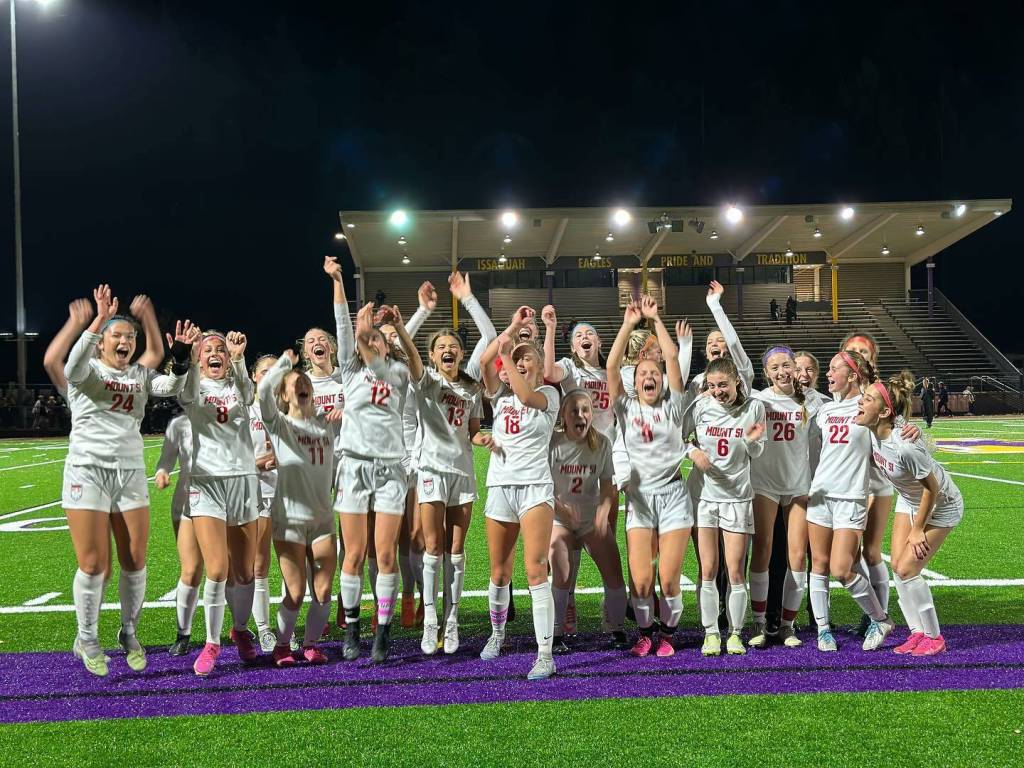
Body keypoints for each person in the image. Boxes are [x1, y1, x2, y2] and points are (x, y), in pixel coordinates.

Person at [62, 284, 194, 676]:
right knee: (93, 564)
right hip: (88, 471)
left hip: (130, 472)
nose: (125, 342)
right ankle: (87, 637)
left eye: (131, 337)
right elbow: (70, 367)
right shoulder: (88, 371)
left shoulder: (138, 374)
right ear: (101, 343)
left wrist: (181, 362)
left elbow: (169, 387)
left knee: (135, 560)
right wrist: (99, 319)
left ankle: (129, 631)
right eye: (117, 336)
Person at [327, 256, 415, 663]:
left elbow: (389, 355)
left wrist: (378, 332)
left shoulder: (397, 374)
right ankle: (351, 629)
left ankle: (382, 632)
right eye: (370, 339)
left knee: (386, 555)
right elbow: (344, 328)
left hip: (391, 470)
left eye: (379, 339)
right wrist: (338, 280)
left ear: (386, 346)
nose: (372, 342)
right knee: (354, 554)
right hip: (355, 467)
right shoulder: (349, 371)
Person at [414, 271, 495, 655]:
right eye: (441, 347)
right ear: (432, 355)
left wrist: (467, 298)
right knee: (433, 546)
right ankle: (430, 619)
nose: (448, 350)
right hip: (431, 470)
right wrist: (420, 312)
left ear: (461, 354)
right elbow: (404, 347)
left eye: (454, 346)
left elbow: (490, 337)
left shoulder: (470, 384)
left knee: (457, 550)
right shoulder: (426, 381)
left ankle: (452, 619)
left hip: (462, 472)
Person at [608, 298, 693, 658]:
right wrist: (628, 324)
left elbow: (671, 357)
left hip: (673, 496)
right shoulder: (625, 408)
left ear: (662, 380)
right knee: (642, 581)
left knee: (669, 579)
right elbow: (611, 366)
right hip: (641, 499)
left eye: (654, 374)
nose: (649, 377)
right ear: (635, 380)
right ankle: (645, 633)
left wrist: (656, 318)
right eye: (643, 373)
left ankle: (668, 635)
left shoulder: (673, 406)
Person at [856, 372, 963, 656]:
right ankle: (917, 632)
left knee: (907, 569)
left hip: (942, 504)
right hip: (910, 499)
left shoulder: (903, 445)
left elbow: (933, 488)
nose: (860, 402)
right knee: (898, 568)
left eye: (867, 399)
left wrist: (917, 530)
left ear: (883, 413)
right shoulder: (876, 428)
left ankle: (934, 637)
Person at [478, 309, 560, 680]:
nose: (521, 361)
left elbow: (526, 397)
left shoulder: (548, 394)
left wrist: (508, 356)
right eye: (517, 357)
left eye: (528, 358)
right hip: (500, 486)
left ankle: (545, 655)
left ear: (540, 366)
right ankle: (498, 635)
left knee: (535, 569)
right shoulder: (500, 396)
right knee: (499, 571)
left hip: (535, 489)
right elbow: (484, 363)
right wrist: (511, 329)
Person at [541, 304, 628, 636]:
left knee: (605, 535)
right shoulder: (570, 369)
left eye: (590, 333)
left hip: (603, 456)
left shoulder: (610, 373)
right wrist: (551, 328)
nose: (584, 337)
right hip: (572, 452)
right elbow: (548, 371)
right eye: (578, 335)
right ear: (573, 346)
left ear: (600, 342)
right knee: (566, 545)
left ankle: (611, 614)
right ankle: (568, 606)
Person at [179, 327, 262, 676]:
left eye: (221, 349)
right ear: (199, 359)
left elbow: (248, 394)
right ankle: (211, 642)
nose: (215, 353)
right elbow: (182, 388)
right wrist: (185, 356)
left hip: (242, 480)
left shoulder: (237, 384)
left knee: (244, 571)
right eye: (207, 349)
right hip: (207, 483)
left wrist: (240, 359)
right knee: (216, 569)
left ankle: (239, 629)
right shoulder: (194, 387)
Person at [806, 351, 895, 652]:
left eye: (834, 369)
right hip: (820, 495)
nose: (828, 374)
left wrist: (911, 433)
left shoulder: (867, 407)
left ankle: (880, 619)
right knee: (819, 565)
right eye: (829, 369)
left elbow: (890, 433)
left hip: (851, 498)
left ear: (853, 376)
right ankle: (823, 630)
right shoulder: (825, 410)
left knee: (842, 568)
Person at [257, 350, 339, 667]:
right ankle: (281, 646)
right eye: (295, 383)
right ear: (284, 394)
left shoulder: (325, 423)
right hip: (289, 519)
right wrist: (283, 365)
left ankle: (311, 644)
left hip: (322, 519)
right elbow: (263, 391)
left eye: (306, 381)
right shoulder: (280, 425)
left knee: (323, 590)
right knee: (295, 591)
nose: (302, 383)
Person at [690, 357, 766, 656]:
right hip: (705, 497)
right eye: (712, 386)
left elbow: (757, 451)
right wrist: (692, 451)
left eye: (723, 384)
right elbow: (677, 436)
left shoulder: (753, 407)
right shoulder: (699, 405)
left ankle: (734, 633)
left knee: (735, 572)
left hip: (737, 497)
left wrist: (751, 441)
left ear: (737, 381)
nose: (718, 391)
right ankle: (710, 633)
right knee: (708, 569)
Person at [748, 346, 821, 649]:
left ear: (795, 367)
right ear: (766, 373)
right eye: (775, 367)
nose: (782, 372)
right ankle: (759, 623)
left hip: (798, 485)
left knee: (798, 556)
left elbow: (847, 408)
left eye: (786, 365)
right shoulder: (759, 400)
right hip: (765, 483)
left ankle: (787, 625)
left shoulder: (812, 400)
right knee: (762, 550)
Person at [548, 390, 628, 651]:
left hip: (590, 517)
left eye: (585, 410)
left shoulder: (602, 443)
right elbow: (542, 486)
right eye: (574, 411)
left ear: (592, 414)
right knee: (561, 566)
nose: (580, 415)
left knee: (613, 568)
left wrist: (603, 513)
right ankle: (555, 633)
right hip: (560, 518)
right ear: (563, 415)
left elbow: (608, 486)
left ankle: (616, 628)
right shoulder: (553, 444)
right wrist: (562, 511)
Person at [154, 407, 203, 656]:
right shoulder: (179, 424)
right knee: (191, 569)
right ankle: (183, 633)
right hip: (187, 502)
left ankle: (239, 629)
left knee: (226, 570)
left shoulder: (230, 413)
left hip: (224, 500)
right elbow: (165, 460)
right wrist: (162, 472)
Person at [248, 355, 281, 652]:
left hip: (291, 493)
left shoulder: (291, 408)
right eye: (265, 372)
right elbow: (232, 454)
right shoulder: (245, 410)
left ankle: (286, 628)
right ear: (254, 376)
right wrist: (257, 463)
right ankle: (263, 628)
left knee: (293, 564)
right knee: (259, 563)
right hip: (258, 492)